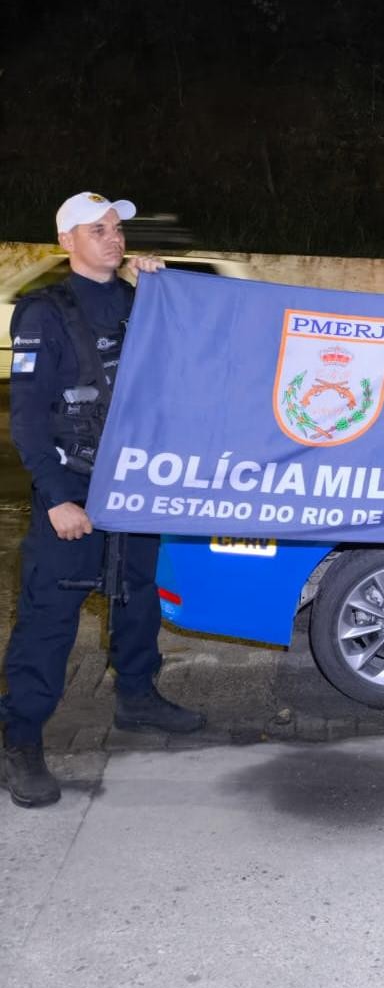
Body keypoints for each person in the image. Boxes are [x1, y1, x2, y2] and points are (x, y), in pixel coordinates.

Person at [0, 192, 205, 809]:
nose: (114, 239)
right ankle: (21, 737)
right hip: (76, 486)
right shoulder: (43, 312)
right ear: (67, 242)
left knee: (138, 595)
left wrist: (169, 295)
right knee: (51, 614)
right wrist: (58, 498)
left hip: (137, 483)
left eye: (117, 229)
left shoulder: (138, 301)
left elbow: (187, 365)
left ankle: (138, 697)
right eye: (98, 230)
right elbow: (30, 420)